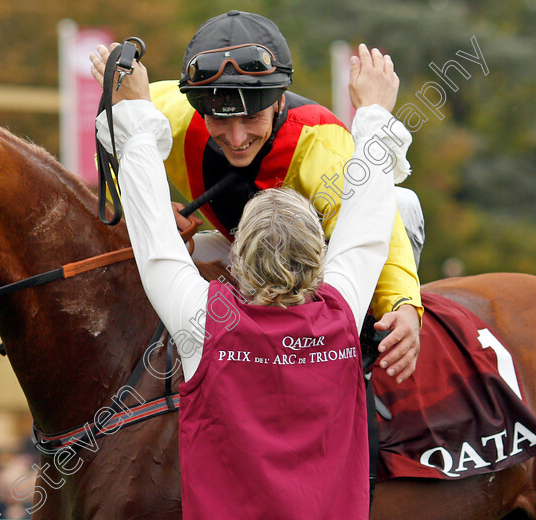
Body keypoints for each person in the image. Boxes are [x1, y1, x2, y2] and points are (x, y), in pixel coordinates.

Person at [92, 33, 408, 519]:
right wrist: (374, 112)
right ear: (319, 255)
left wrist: (131, 110)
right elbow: (368, 227)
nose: (236, 136)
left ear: (236, 263)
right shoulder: (343, 309)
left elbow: (154, 242)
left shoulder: (202, 322)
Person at [91, 10, 422, 383]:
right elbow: (112, 144)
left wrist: (404, 305)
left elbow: (378, 229)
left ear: (278, 102)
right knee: (127, 249)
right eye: (219, 119)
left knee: (400, 202)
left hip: (319, 256)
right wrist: (149, 209)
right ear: (198, 107)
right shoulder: (167, 110)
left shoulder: (322, 145)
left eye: (251, 119)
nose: (236, 139)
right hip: (237, 245)